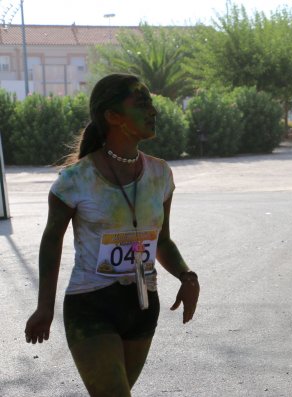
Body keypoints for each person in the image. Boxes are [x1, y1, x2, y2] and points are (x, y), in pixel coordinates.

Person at [24, 73, 200, 396]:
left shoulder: (160, 174)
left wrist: (187, 275)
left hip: (143, 305)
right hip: (90, 305)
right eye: (142, 103)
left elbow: (161, 241)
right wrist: (44, 307)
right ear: (113, 117)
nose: (153, 111)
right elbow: (51, 242)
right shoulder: (75, 180)